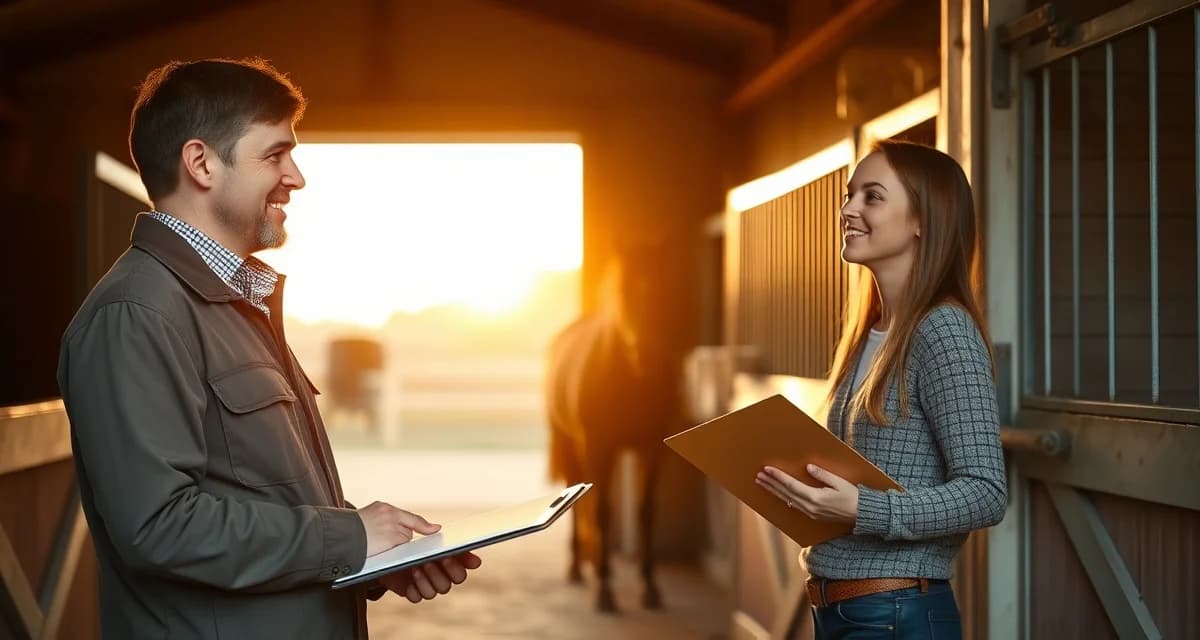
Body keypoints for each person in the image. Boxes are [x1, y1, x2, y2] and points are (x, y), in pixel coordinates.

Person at [57, 58, 480, 639]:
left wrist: (373, 557)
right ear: (201, 162)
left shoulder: (232, 303)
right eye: (274, 154)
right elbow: (159, 527)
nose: (296, 177)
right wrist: (348, 538)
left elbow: (251, 494)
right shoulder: (137, 314)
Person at [753, 140, 1007, 639]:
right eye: (850, 195)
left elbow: (986, 493)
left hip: (895, 614)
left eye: (872, 196)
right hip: (840, 610)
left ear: (922, 220)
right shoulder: (868, 333)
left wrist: (862, 508)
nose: (847, 209)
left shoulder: (944, 331)